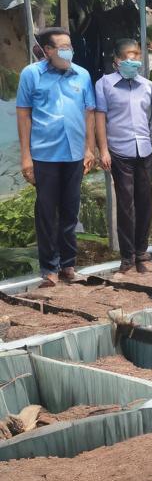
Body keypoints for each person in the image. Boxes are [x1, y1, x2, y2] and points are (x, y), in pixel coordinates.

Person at [15, 27, 97, 287]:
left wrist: (89, 148)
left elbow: (89, 113)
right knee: (47, 212)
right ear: (48, 51)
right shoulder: (31, 75)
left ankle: (68, 266)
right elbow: (23, 115)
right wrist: (26, 157)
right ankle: (49, 269)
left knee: (71, 211)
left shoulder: (82, 75)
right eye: (62, 47)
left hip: (74, 153)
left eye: (69, 46)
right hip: (45, 154)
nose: (68, 51)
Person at [94, 39, 152, 276]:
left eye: (136, 55)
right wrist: (103, 150)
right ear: (116, 59)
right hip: (119, 151)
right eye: (128, 55)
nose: (133, 60)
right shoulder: (105, 84)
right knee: (126, 204)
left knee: (145, 201)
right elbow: (100, 119)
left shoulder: (148, 86)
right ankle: (127, 257)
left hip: (144, 150)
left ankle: (142, 253)